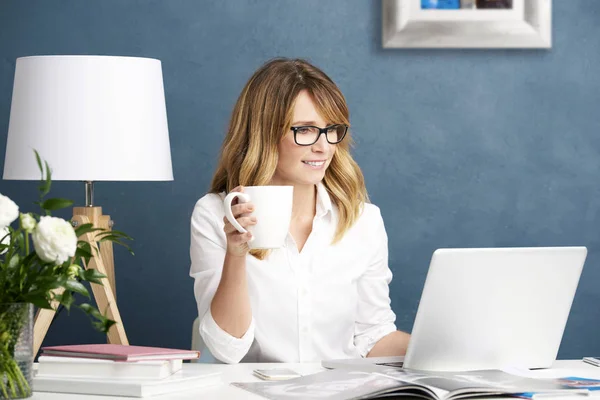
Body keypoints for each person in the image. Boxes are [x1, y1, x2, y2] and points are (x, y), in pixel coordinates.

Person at [189, 58, 410, 364]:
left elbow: (372, 336)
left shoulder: (362, 220)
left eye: (331, 129)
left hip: (343, 391)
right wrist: (236, 253)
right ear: (264, 133)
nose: (324, 147)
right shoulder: (215, 214)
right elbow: (227, 350)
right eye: (305, 130)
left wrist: (445, 349)